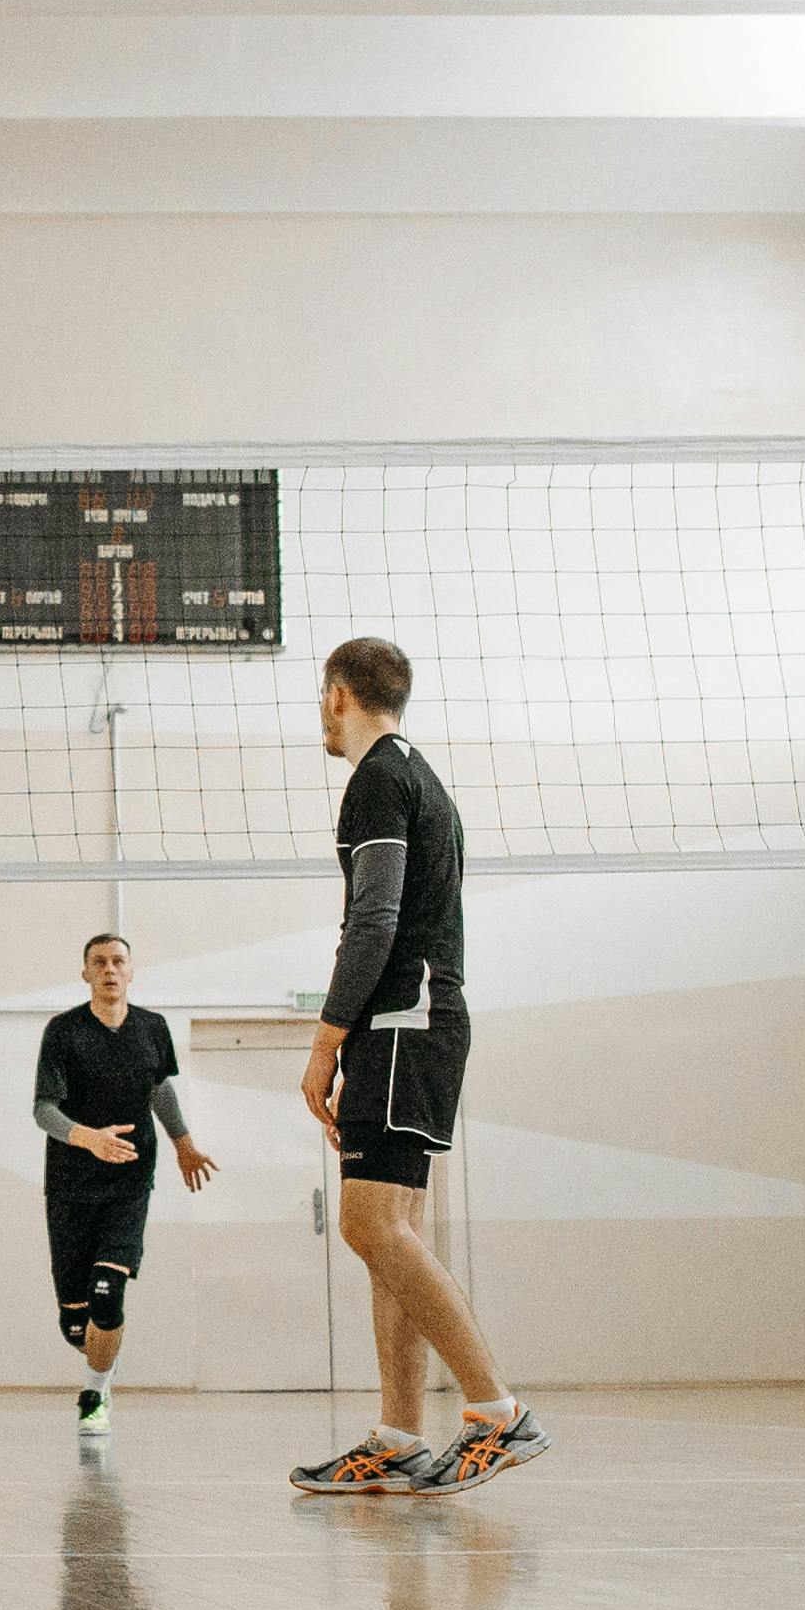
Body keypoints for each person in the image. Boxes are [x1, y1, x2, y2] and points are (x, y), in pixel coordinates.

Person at [293, 635, 546, 1499]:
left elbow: (373, 920)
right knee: (386, 1231)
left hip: (401, 1024)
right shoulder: (418, 774)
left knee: (369, 1226)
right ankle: (398, 1436)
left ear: (336, 696)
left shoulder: (376, 779)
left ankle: (495, 1411)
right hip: (415, 1024)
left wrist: (324, 1042)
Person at [33, 930, 216, 1437]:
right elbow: (43, 1109)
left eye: (118, 961)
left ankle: (96, 1393)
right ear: (86, 973)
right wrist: (87, 1137)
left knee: (107, 1292)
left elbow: (158, 1088)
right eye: (100, 962)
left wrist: (183, 1144)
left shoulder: (152, 1029)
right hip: (70, 1187)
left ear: (131, 971)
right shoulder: (63, 1032)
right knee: (77, 1323)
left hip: (130, 1182)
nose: (110, 970)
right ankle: (96, 1360)